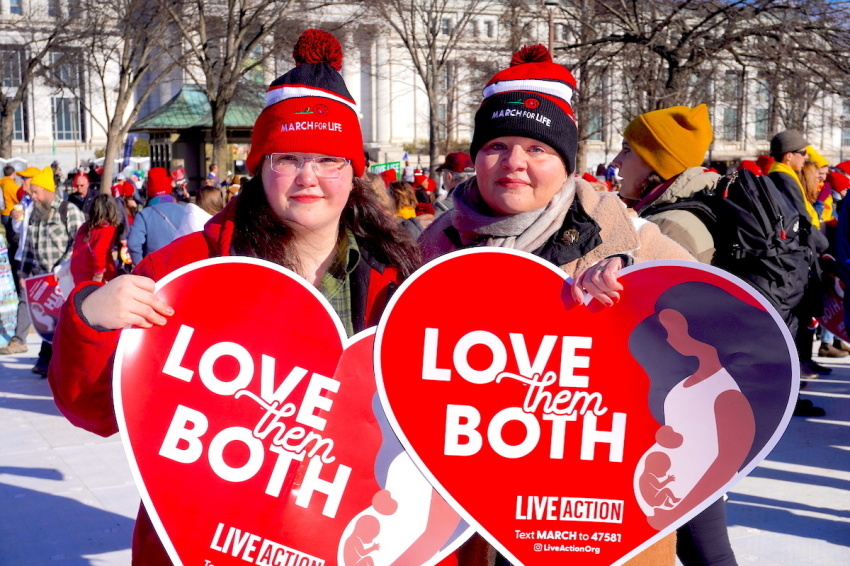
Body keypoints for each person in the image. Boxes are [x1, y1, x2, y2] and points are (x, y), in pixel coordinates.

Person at [48, 29, 420, 565]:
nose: (308, 178)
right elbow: (95, 410)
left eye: (329, 160)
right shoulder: (191, 268)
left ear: (354, 172)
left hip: (348, 538)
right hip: (216, 536)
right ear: (261, 167)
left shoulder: (399, 278)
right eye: (287, 158)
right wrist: (91, 317)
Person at [419, 43, 694, 565]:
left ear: (566, 162)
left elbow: (712, 311)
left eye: (538, 149)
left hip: (594, 512)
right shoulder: (432, 245)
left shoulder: (620, 232)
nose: (515, 164)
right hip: (473, 505)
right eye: (497, 145)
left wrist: (636, 286)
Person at [629, 282, 793, 561]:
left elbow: (723, 464)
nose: (667, 338)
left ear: (704, 328)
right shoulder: (686, 382)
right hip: (668, 492)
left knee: (712, 558)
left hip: (688, 495)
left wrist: (679, 507)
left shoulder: (727, 397)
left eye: (672, 328)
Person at [768, 131, 830, 384]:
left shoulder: (785, 174)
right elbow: (800, 218)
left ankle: (797, 373)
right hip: (800, 256)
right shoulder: (782, 176)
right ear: (789, 155)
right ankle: (793, 380)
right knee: (798, 316)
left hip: (802, 253)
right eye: (802, 154)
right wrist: (823, 245)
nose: (805, 159)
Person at [20, 166, 85, 375]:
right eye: (31, 192)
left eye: (35, 192)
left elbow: (80, 242)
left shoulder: (69, 211)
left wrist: (63, 265)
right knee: (50, 321)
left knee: (66, 320)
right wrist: (24, 272)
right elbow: (29, 246)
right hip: (43, 279)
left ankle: (60, 362)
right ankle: (47, 360)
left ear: (48, 191)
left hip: (65, 278)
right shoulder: (35, 215)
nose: (33, 196)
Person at [126, 167, 186, 265]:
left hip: (156, 271)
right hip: (182, 268)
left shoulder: (143, 215)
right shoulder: (185, 210)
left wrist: (141, 268)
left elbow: (133, 244)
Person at [70, 194, 122, 285]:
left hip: (78, 271)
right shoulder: (108, 229)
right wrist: (98, 276)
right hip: (94, 274)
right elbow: (99, 252)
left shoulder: (85, 227)